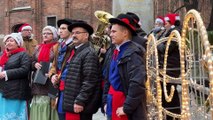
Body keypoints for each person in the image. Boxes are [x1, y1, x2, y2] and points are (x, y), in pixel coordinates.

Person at [103, 13, 147, 120]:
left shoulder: (133, 53)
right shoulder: (115, 50)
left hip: (123, 104)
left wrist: (126, 107)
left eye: (114, 32)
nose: (110, 34)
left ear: (125, 33)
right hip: (112, 101)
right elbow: (108, 79)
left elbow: (137, 83)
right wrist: (105, 101)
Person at [60, 20, 102, 120]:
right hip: (71, 102)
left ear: (86, 35)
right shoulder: (74, 50)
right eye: (73, 33)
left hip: (79, 105)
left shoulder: (89, 53)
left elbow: (90, 80)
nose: (74, 35)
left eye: (77, 33)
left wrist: (80, 101)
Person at [0, 33, 31, 119]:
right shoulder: (3, 55)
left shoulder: (23, 54)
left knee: (14, 116)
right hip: (3, 91)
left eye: (11, 41)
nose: (8, 43)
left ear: (18, 43)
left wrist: (6, 73)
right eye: (7, 41)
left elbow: (25, 70)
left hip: (16, 92)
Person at [30, 26, 58, 120]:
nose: (45, 35)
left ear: (53, 35)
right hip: (38, 81)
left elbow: (59, 63)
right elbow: (31, 61)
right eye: (43, 33)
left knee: (49, 105)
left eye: (48, 33)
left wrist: (52, 72)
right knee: (39, 105)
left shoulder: (57, 47)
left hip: (51, 81)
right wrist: (35, 64)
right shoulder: (38, 47)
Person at [48, 18, 74, 120]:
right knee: (59, 112)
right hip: (57, 84)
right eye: (59, 28)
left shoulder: (74, 46)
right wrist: (52, 75)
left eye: (63, 28)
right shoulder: (58, 46)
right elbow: (54, 65)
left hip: (68, 85)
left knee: (65, 114)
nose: (60, 31)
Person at [157, 13, 181, 120]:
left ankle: (174, 115)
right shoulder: (169, 31)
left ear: (170, 22)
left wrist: (157, 43)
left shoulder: (175, 32)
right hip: (166, 67)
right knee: (166, 93)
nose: (164, 24)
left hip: (171, 68)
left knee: (170, 93)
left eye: (166, 22)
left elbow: (166, 49)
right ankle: (168, 115)